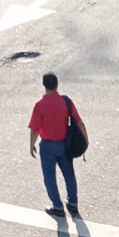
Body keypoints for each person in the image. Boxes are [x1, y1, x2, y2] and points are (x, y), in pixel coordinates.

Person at [28, 71, 88, 219]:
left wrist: (31, 145)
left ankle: (57, 206)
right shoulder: (65, 101)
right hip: (64, 145)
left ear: (44, 85)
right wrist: (86, 139)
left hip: (47, 146)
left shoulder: (39, 105)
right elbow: (79, 121)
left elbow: (35, 129)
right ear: (57, 84)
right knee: (69, 175)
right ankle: (73, 203)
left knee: (49, 177)